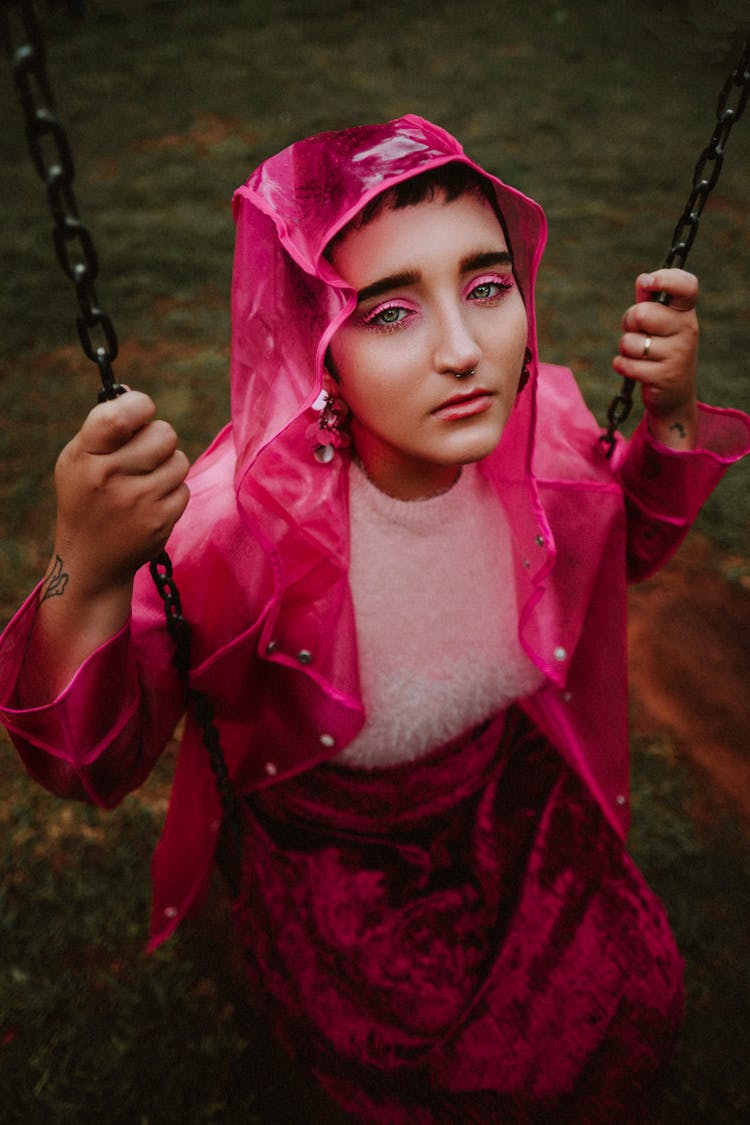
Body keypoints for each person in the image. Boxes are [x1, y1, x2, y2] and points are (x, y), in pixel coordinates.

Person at [1, 115, 748, 1123]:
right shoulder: (233, 532)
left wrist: (666, 416)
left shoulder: (555, 426)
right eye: (390, 311)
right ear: (315, 345)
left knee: (638, 995)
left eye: (487, 288)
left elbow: (618, 550)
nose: (462, 350)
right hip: (335, 851)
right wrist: (82, 576)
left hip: (509, 795)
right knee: (451, 1079)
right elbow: (87, 761)